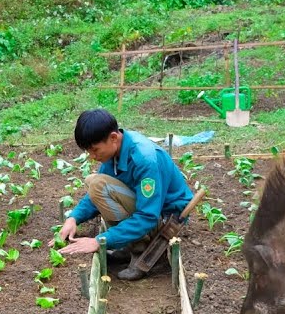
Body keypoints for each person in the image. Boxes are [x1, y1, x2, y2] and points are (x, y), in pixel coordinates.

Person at [58, 108, 193, 281]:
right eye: (88, 152)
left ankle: (140, 249)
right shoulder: (116, 150)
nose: (92, 156)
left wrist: (98, 240)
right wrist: (74, 218)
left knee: (98, 183)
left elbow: (147, 216)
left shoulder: (144, 159)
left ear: (113, 137)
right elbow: (97, 193)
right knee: (94, 181)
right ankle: (128, 245)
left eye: (95, 150)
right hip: (151, 209)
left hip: (168, 217)